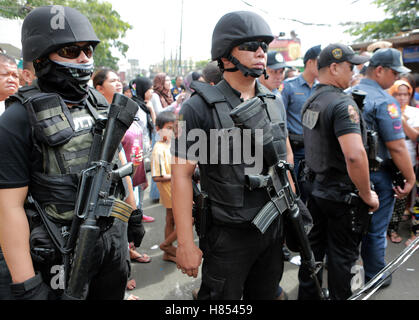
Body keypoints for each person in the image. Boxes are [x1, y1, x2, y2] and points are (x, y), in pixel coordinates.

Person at [0, 6, 144, 300]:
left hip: (110, 242)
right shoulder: (17, 119)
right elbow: (8, 207)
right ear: (41, 57)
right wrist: (26, 284)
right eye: (70, 50)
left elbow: (117, 162)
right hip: (58, 249)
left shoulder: (97, 102)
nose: (83, 58)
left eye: (88, 51)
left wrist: (132, 212)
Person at [171, 11, 294, 300]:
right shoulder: (197, 108)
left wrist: (293, 217)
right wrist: (186, 243)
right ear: (226, 57)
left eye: (263, 46)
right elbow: (181, 175)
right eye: (251, 46)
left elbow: (285, 160)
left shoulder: (273, 101)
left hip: (272, 227)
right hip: (228, 235)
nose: (261, 52)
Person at [298, 43, 378, 300]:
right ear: (333, 67)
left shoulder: (312, 100)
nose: (354, 71)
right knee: (343, 262)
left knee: (313, 257)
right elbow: (355, 155)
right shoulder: (344, 105)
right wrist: (367, 194)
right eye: (350, 66)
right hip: (342, 197)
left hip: (317, 191)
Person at [352, 48, 415, 287]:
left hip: (349, 175)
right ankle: (375, 276)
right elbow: (397, 146)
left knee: (350, 228)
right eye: (394, 72)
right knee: (376, 230)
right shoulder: (384, 101)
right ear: (380, 71)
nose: (396, 77)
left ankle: (346, 272)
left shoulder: (346, 94)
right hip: (377, 176)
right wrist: (409, 179)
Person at [93, 68, 152, 263]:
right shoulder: (99, 116)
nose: (119, 83)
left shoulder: (126, 108)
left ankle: (128, 253)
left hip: (132, 174)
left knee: (131, 222)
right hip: (114, 183)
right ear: (99, 88)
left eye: (119, 80)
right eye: (113, 81)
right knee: (117, 225)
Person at [281, 45, 321, 198]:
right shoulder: (289, 86)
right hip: (296, 149)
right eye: (320, 62)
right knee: (295, 192)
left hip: (316, 150)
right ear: (310, 62)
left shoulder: (321, 88)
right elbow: (281, 118)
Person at [151, 111, 177, 263]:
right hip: (170, 189)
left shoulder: (169, 144)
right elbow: (156, 176)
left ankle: (167, 252)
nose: (171, 131)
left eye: (174, 127)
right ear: (158, 129)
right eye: (168, 127)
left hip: (172, 188)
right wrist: (177, 176)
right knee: (189, 218)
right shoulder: (158, 149)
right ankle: (166, 246)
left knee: (170, 219)